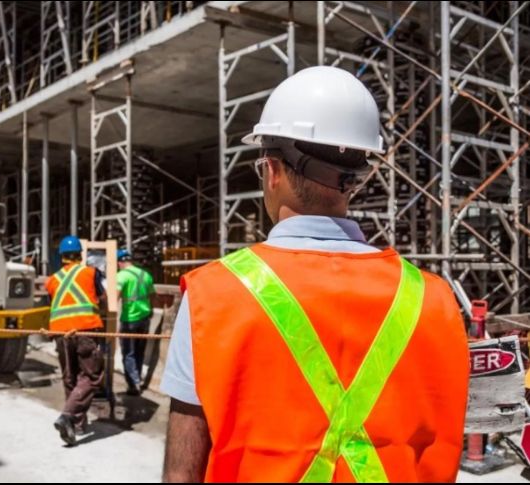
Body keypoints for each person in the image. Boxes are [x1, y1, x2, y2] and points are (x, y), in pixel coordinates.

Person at [160, 66, 470, 482]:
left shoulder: (211, 296)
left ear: (271, 170)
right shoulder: (434, 299)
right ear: (356, 180)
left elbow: (182, 473)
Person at [46, 235, 106, 446]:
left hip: (61, 334)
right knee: (92, 377)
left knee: (70, 377)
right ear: (81, 255)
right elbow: (102, 296)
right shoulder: (90, 273)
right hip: (85, 329)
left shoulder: (52, 280)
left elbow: (54, 304)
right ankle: (67, 415)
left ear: (61, 256)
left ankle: (77, 425)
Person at [116, 249, 156, 396]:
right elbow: (153, 296)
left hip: (129, 319)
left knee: (128, 353)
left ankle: (134, 384)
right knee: (139, 352)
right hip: (145, 319)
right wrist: (150, 310)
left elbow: (115, 297)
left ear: (120, 262)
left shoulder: (121, 276)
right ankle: (137, 378)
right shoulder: (146, 275)